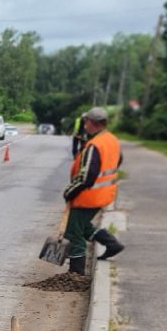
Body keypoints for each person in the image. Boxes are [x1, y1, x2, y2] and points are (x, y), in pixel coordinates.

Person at [61, 106, 126, 274]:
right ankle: (111, 243)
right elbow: (117, 160)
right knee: (82, 226)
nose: (85, 125)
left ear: (91, 122)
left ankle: (75, 274)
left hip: (88, 197)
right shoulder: (111, 139)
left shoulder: (94, 145)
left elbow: (86, 177)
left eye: (86, 122)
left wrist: (69, 191)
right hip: (104, 193)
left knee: (74, 233)